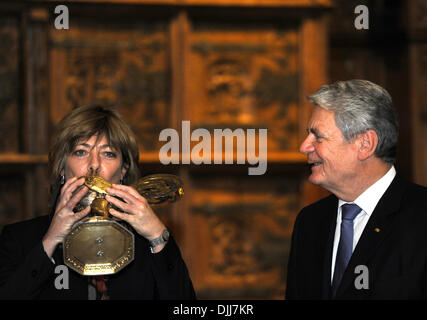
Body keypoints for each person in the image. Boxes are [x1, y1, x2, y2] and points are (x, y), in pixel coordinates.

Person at [0, 105, 196, 300]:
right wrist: (50, 241)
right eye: (80, 152)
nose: (94, 164)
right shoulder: (20, 240)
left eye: (108, 153)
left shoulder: (149, 246)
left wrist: (156, 236)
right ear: (62, 167)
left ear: (123, 171)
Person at [286, 79, 427, 299]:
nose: (304, 146)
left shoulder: (421, 217)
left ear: (365, 144)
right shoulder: (310, 222)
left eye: (318, 137)